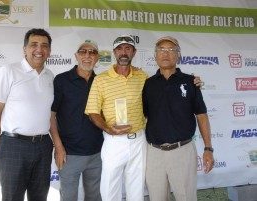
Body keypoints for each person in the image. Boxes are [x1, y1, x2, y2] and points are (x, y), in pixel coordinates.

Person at [0, 28, 59, 201]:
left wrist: (57, 145)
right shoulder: (9, 71)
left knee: (39, 197)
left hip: (43, 146)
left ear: (49, 51)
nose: (39, 49)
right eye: (34, 44)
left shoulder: (50, 76)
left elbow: (50, 114)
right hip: (13, 146)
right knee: (12, 197)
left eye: (44, 46)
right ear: (24, 49)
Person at [142, 36, 214, 201]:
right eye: (161, 50)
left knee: (186, 197)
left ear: (178, 55)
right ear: (155, 55)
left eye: (171, 50)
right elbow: (143, 115)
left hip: (182, 151)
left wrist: (208, 148)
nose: (165, 54)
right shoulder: (148, 84)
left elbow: (201, 115)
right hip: (154, 153)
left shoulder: (190, 82)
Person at [85, 35, 148, 201]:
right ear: (114, 52)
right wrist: (107, 128)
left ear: (134, 52)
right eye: (120, 49)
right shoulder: (101, 79)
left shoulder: (143, 77)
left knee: (136, 188)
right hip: (114, 141)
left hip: (139, 140)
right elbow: (93, 112)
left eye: (128, 48)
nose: (124, 52)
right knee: (110, 188)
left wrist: (193, 82)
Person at [50, 40, 103, 201]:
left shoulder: (102, 81)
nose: (87, 56)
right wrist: (58, 147)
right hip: (69, 154)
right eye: (83, 51)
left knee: (94, 197)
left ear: (97, 58)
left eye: (92, 52)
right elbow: (51, 115)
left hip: (97, 153)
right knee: (69, 197)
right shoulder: (61, 80)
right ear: (76, 56)